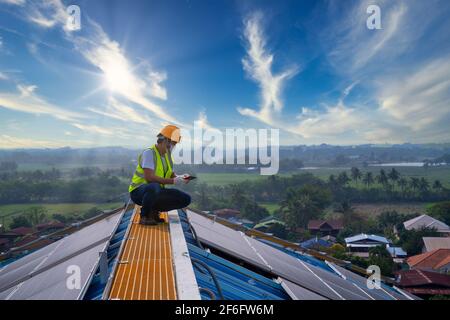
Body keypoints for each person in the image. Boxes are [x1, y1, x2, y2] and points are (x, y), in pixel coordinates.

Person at [129, 125, 192, 225]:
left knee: (185, 198)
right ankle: (144, 216)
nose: (173, 146)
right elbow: (149, 178)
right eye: (173, 143)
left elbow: (170, 174)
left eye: (175, 143)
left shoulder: (168, 156)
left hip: (156, 192)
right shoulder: (149, 153)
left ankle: (153, 211)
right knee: (154, 186)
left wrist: (180, 177)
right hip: (139, 192)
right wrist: (173, 181)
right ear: (165, 140)